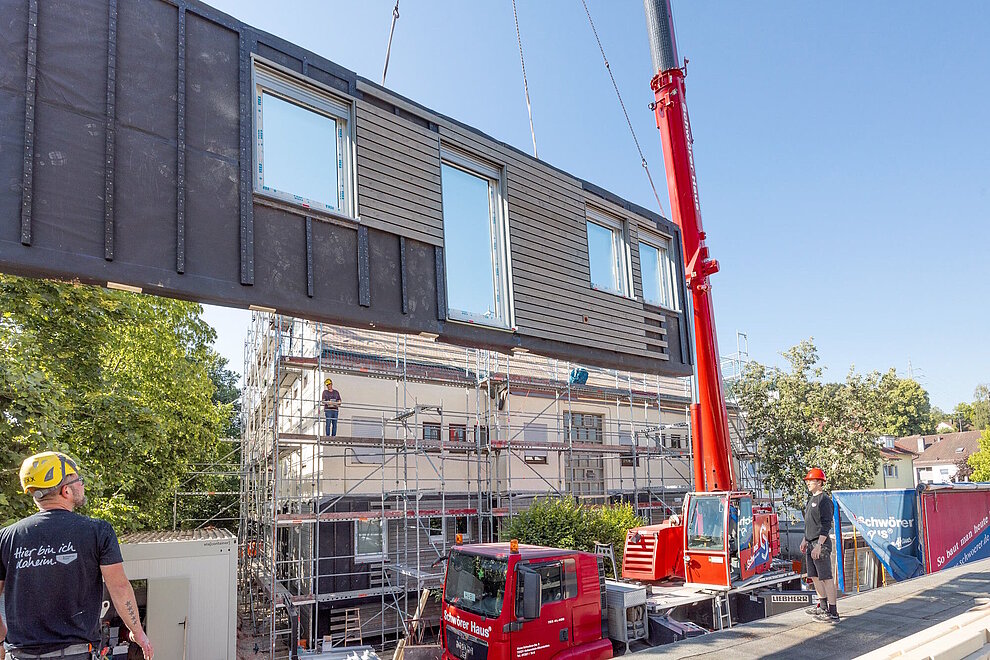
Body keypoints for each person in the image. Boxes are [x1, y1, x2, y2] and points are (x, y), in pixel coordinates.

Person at [0, 452, 155, 660]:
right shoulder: (97, 531)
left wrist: (2, 639)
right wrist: (138, 633)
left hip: (19, 656)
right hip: (76, 655)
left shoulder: (7, 537)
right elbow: (118, 586)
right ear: (66, 490)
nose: (82, 485)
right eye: (78, 480)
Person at [800, 467, 839, 623]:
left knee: (826, 577)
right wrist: (805, 539)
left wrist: (819, 545)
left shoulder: (824, 501)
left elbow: (825, 524)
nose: (808, 483)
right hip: (811, 543)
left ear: (819, 482)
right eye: (808, 481)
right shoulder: (811, 500)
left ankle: (833, 612)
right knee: (815, 576)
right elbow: (810, 523)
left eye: (810, 481)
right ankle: (822, 606)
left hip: (819, 544)